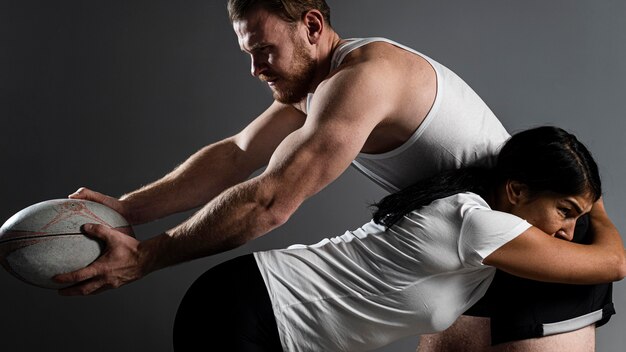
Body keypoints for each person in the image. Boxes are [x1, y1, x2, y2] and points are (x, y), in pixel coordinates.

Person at [54, 1, 617, 350]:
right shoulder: (321, 89)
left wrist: (148, 258)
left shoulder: (365, 78)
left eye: (264, 50)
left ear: (313, 26)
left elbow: (269, 200)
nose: (255, 69)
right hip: (475, 251)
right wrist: (126, 211)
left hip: (536, 249)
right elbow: (236, 155)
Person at [172, 126, 626, 351]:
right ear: (517, 191)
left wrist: (582, 202)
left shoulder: (470, 211)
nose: (568, 232)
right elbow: (614, 263)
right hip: (244, 309)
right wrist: (598, 207)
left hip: (247, 304)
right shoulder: (482, 225)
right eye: (565, 212)